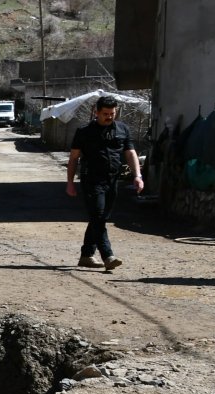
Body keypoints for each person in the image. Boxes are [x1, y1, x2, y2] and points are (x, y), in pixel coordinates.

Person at [67, 94, 142, 270]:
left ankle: (86, 255)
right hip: (92, 179)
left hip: (112, 179)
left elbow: (130, 153)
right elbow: (74, 158)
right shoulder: (84, 131)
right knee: (99, 217)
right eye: (105, 114)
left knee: (99, 218)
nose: (109, 117)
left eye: (112, 113)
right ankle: (108, 256)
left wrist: (137, 175)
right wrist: (70, 182)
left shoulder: (122, 129)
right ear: (97, 112)